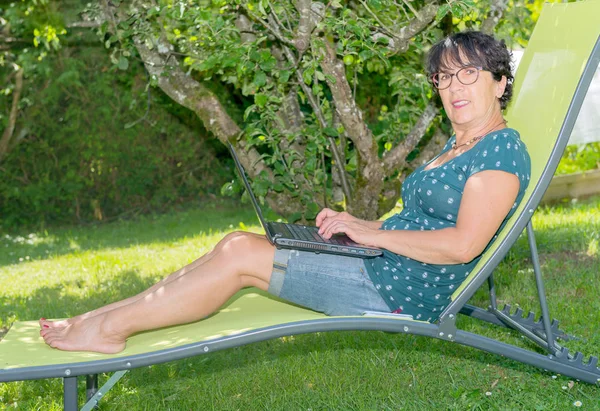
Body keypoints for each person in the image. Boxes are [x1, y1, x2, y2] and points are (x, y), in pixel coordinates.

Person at [40, 31, 531, 353]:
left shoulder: (502, 151)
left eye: (469, 73)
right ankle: (103, 317)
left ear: (500, 82)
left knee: (240, 256)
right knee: (237, 241)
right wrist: (360, 226)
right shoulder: (458, 144)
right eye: (443, 77)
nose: (453, 86)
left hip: (399, 289)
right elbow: (418, 221)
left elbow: (463, 244)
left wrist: (376, 239)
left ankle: (108, 330)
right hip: (383, 261)